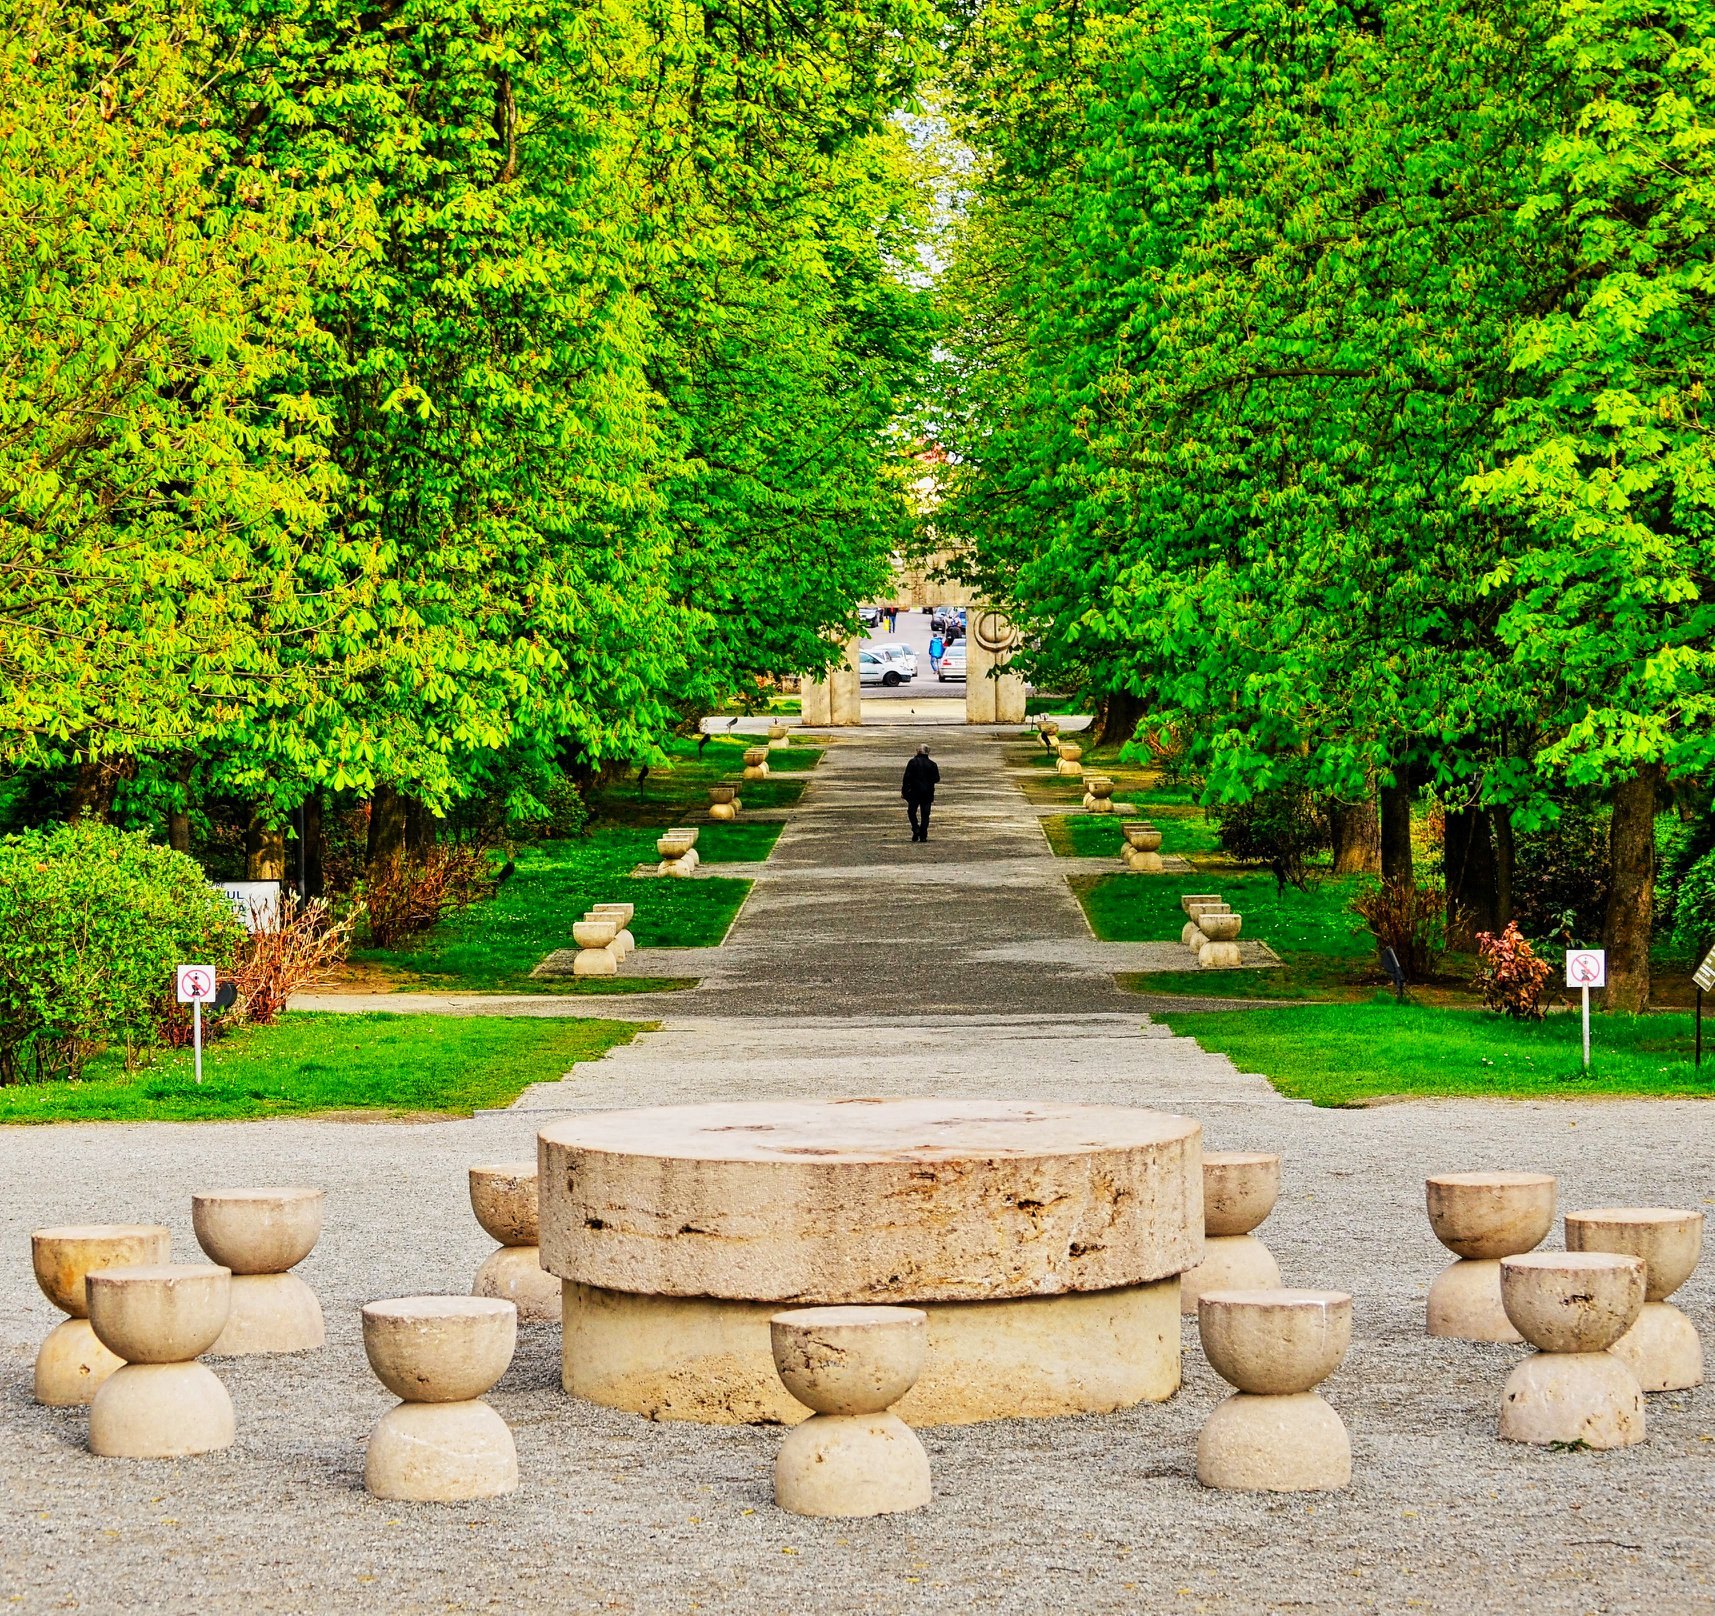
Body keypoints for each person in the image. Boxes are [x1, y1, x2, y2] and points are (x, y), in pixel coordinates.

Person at [901, 744, 939, 843]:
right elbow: (936, 779)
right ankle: (923, 835)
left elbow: (906, 778)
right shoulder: (932, 764)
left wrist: (904, 791)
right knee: (925, 814)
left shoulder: (912, 762)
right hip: (927, 793)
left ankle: (915, 828)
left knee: (911, 812)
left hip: (914, 792)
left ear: (918, 751)